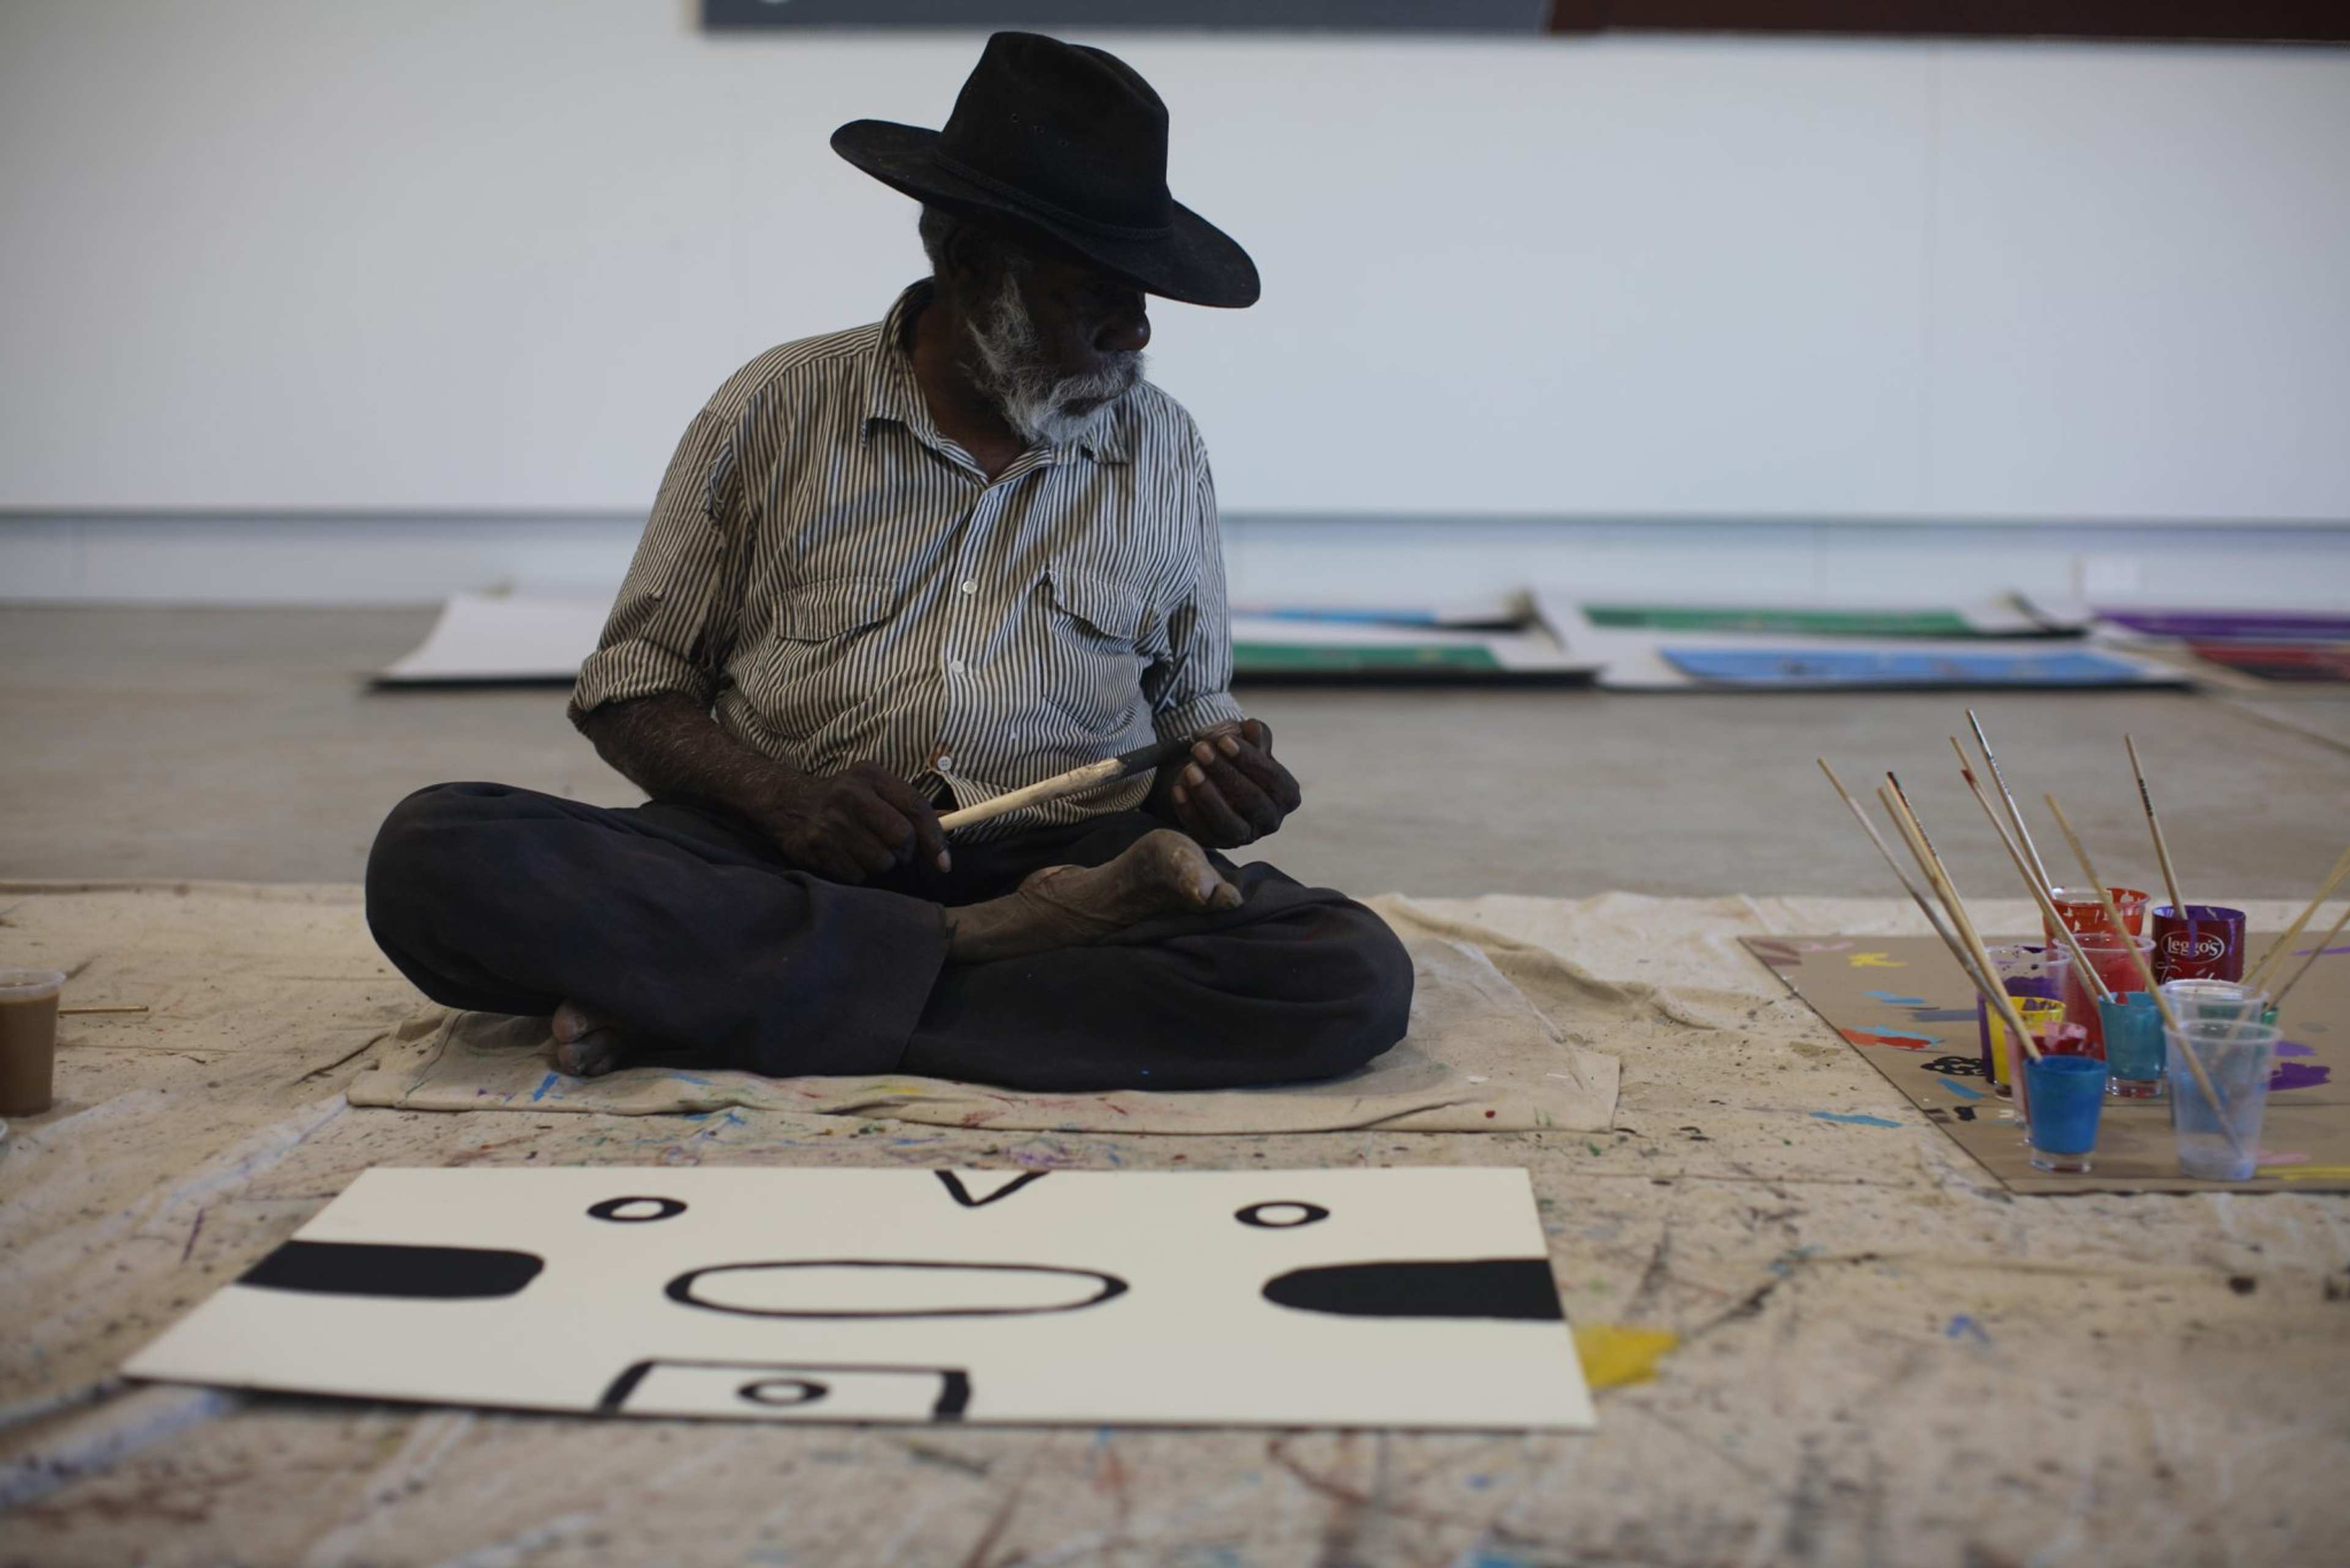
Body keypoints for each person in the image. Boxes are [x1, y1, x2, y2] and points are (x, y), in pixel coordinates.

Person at [364, 32, 1412, 1092]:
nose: (1135, 326)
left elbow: (1192, 710)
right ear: (968, 265)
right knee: (435, 853)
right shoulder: (773, 407)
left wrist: (1219, 779)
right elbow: (633, 692)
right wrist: (784, 800)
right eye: (1091, 287)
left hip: (1071, 864)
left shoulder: (1163, 444)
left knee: (1347, 974)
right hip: (777, 857)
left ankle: (715, 999)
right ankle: (973, 956)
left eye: (1142, 293)